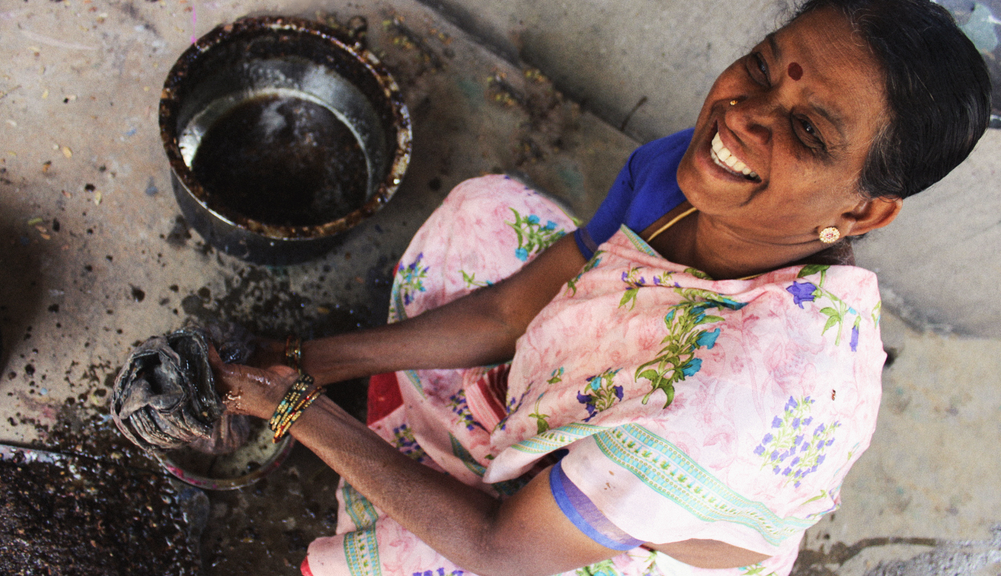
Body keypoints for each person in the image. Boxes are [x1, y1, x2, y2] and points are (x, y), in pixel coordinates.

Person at [208, 1, 992, 574]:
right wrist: (311, 359)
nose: (745, 116)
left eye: (810, 132)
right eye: (762, 68)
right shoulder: (687, 173)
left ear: (862, 210)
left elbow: (501, 548)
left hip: (599, 541)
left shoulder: (733, 404)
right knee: (484, 217)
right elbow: (521, 307)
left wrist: (291, 407)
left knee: (423, 556)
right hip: (586, 434)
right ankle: (424, 431)